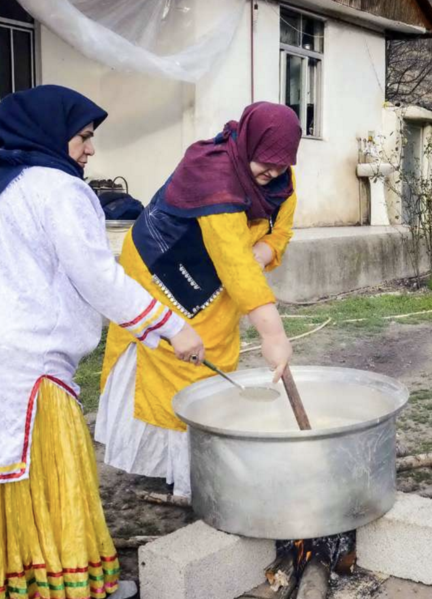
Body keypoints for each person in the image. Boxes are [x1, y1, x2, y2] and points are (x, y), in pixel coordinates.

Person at [0, 85, 205, 599]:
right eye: (84, 137)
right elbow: (97, 276)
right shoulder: (59, 189)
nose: (90, 150)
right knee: (52, 470)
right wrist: (172, 326)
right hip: (18, 357)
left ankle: (7, 584)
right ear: (53, 134)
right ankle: (78, 588)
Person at [96, 102, 300, 498]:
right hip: (163, 268)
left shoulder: (281, 182)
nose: (272, 173)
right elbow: (234, 263)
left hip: (220, 273)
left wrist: (265, 252)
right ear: (249, 141)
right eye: (266, 163)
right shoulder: (214, 172)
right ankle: (184, 472)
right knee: (179, 358)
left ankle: (196, 458)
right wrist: (274, 337)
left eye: (281, 164)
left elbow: (280, 233)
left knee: (216, 353)